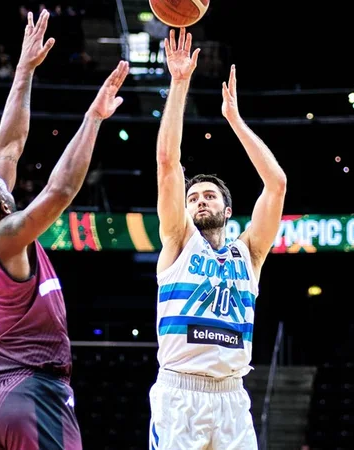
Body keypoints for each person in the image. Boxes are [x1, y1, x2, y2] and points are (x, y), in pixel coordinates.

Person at [0, 9, 129, 450]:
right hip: (29, 390)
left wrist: (24, 70)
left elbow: (9, 147)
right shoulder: (8, 238)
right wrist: (93, 118)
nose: (5, 175)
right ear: (6, 204)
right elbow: (62, 189)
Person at [149, 28, 287, 449]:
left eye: (209, 195)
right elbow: (168, 163)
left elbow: (276, 183)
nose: (199, 201)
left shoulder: (249, 253)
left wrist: (236, 121)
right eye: (193, 197)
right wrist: (179, 83)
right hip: (179, 394)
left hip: (231, 397)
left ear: (228, 210)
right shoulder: (177, 240)